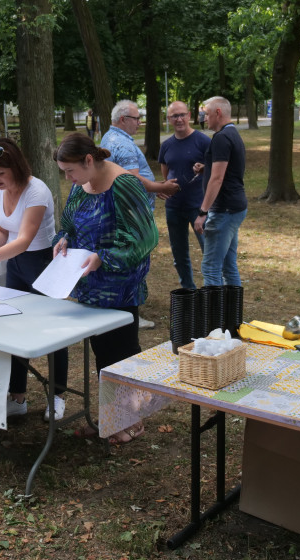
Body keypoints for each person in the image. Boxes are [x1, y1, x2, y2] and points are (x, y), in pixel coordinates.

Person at [53, 133, 158, 444]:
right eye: (64, 172)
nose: (68, 178)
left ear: (89, 161)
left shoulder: (124, 185)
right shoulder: (81, 186)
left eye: (70, 171)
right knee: (103, 353)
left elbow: (143, 238)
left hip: (120, 287)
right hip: (90, 285)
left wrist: (105, 258)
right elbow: (70, 224)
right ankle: (113, 419)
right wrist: (64, 239)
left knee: (122, 352)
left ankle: (131, 421)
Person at [0, 138, 62, 420]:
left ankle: (57, 396)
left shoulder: (36, 192)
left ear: (16, 168)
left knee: (54, 332)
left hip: (42, 262)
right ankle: (17, 396)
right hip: (17, 264)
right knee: (16, 325)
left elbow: (24, 239)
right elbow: (1, 229)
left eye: (0, 173)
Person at [101, 100, 178, 329]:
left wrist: (155, 187)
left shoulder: (109, 137)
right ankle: (132, 311)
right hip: (131, 215)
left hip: (122, 212)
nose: (140, 123)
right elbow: (132, 181)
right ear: (123, 119)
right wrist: (160, 187)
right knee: (134, 260)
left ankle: (126, 308)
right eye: (136, 118)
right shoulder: (122, 144)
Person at [193, 96, 247, 287]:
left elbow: (218, 179)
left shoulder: (221, 138)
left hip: (224, 210)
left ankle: (214, 316)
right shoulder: (232, 134)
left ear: (218, 113)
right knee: (228, 265)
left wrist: (203, 212)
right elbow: (227, 169)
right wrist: (206, 168)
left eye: (206, 114)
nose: (204, 118)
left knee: (210, 267)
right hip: (234, 207)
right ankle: (232, 315)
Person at [158, 102, 211, 290]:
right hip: (174, 208)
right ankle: (189, 291)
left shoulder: (203, 141)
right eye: (174, 116)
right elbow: (166, 174)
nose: (179, 119)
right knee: (179, 254)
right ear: (169, 118)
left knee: (209, 251)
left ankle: (213, 290)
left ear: (189, 115)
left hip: (199, 207)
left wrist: (205, 169)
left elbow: (216, 172)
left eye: (182, 115)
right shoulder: (166, 145)